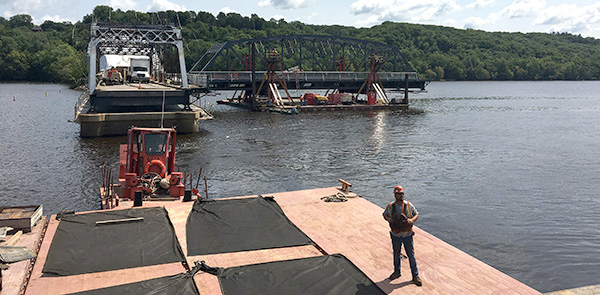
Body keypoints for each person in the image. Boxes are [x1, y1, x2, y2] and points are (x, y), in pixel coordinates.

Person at [383, 185, 423, 286]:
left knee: (411, 255)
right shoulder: (390, 206)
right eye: (399, 194)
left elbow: (416, 214)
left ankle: (415, 276)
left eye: (402, 194)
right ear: (395, 195)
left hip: (407, 235)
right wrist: (390, 219)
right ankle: (397, 272)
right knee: (396, 253)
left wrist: (411, 220)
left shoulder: (409, 205)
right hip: (396, 235)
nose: (401, 196)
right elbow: (384, 215)